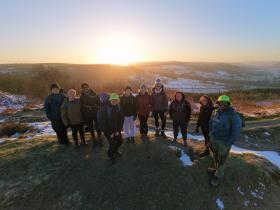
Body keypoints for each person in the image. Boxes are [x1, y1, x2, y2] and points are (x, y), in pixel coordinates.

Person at [209, 95, 242, 187]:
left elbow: (236, 131)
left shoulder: (233, 115)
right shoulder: (215, 112)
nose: (221, 105)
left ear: (228, 103)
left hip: (224, 142)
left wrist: (229, 142)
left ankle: (218, 175)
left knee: (222, 159)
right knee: (215, 156)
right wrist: (210, 134)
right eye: (220, 103)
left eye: (224, 103)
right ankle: (216, 169)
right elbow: (211, 123)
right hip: (214, 139)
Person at [99, 93, 124, 164]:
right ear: (109, 100)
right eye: (113, 100)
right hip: (108, 130)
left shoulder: (119, 107)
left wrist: (118, 130)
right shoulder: (104, 109)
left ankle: (115, 151)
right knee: (112, 143)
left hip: (116, 129)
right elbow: (102, 123)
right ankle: (110, 155)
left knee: (120, 141)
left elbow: (121, 119)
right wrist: (110, 133)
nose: (114, 102)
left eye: (116, 100)